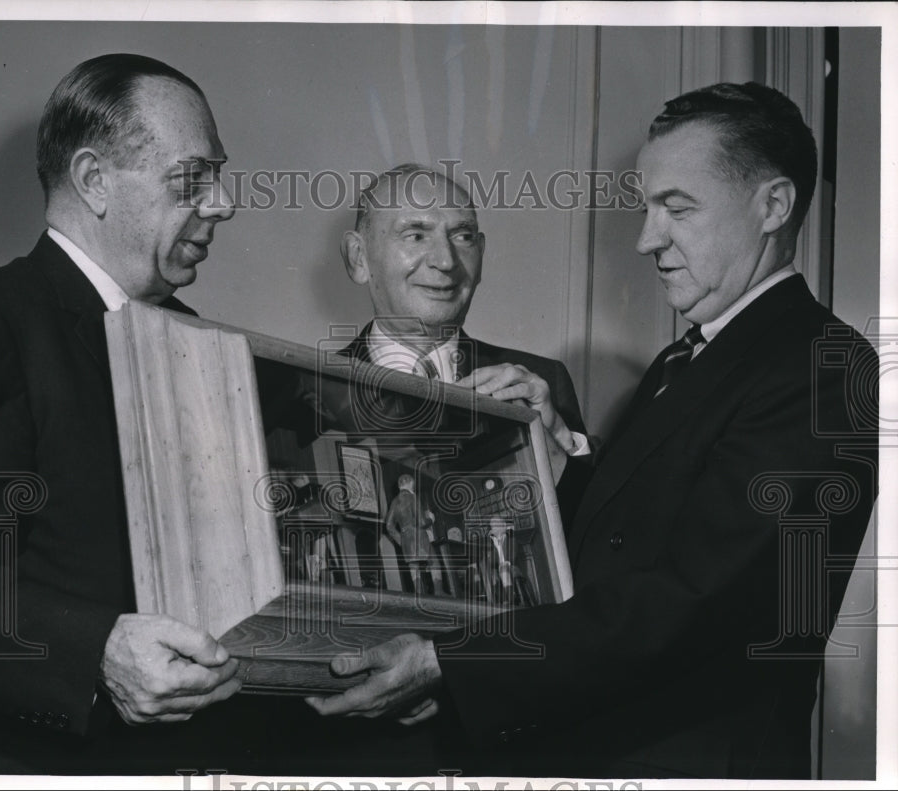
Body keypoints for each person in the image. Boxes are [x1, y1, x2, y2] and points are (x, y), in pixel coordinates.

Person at [307, 82, 878, 779]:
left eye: (677, 207)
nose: (646, 239)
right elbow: (630, 545)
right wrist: (557, 462)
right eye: (647, 207)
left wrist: (445, 660)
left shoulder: (823, 363)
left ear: (774, 205)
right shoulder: (687, 357)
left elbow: (697, 599)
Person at [0, 53, 280, 775]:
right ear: (92, 180)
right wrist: (96, 652)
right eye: (193, 178)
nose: (224, 204)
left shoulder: (197, 336)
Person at [338, 163, 592, 482]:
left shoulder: (543, 382)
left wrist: (560, 444)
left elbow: (586, 528)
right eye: (416, 235)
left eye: (462, 236)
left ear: (481, 254)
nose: (446, 261)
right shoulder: (303, 390)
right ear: (358, 257)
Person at [383, 474, 444, 595]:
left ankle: (419, 594)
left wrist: (401, 540)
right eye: (413, 484)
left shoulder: (394, 502)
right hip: (419, 537)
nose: (414, 487)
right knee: (434, 562)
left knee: (414, 566)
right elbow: (421, 522)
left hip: (406, 539)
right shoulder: (412, 497)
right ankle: (439, 591)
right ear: (410, 483)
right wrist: (431, 519)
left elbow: (389, 526)